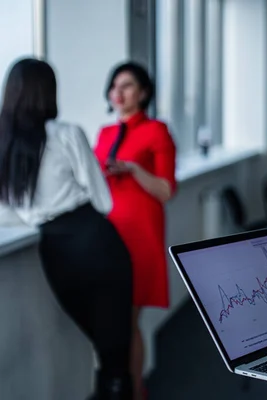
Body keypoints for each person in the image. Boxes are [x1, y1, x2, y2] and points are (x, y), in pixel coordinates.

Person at [0, 59, 133, 399]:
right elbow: (103, 201)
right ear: (49, 92)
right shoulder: (65, 133)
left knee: (103, 346)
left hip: (54, 253)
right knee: (115, 351)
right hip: (95, 242)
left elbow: (9, 213)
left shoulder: (5, 144)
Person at [94, 62, 176, 400]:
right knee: (112, 319)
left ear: (142, 92)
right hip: (106, 233)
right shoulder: (104, 133)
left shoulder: (157, 130)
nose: (119, 92)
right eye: (114, 86)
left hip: (140, 234)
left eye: (127, 85)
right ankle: (118, 385)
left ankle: (133, 389)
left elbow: (166, 190)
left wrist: (132, 169)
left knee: (128, 317)